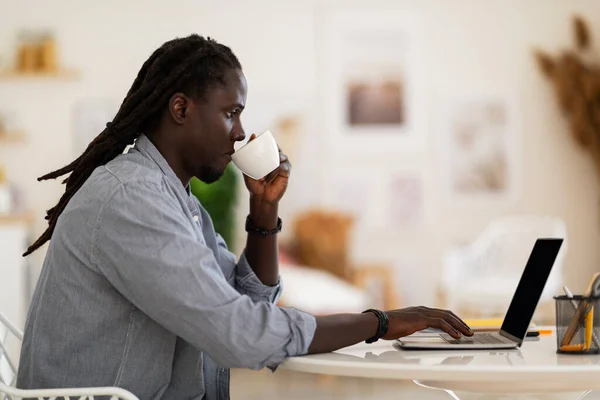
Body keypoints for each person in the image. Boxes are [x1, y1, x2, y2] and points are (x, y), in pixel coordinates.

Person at [16, 34, 473, 400]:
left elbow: (248, 301)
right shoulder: (130, 200)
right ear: (181, 109)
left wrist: (265, 209)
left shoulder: (178, 202)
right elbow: (241, 333)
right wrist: (383, 322)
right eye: (231, 113)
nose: (239, 133)